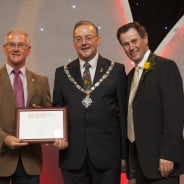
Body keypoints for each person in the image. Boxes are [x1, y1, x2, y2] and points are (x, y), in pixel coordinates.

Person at [53, 20, 127, 184]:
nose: (84, 43)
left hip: (107, 155)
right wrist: (56, 134)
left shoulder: (116, 70)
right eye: (78, 39)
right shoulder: (62, 73)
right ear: (74, 43)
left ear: (98, 40)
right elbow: (57, 109)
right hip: (72, 156)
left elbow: (123, 114)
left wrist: (124, 154)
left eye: (88, 37)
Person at [117, 21, 184, 184]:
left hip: (162, 163)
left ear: (145, 38)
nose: (131, 47)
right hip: (140, 165)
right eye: (125, 44)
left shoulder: (165, 68)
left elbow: (174, 115)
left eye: (134, 41)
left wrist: (168, 155)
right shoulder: (131, 75)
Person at [0, 30, 51, 184]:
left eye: (21, 45)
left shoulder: (41, 81)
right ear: (4, 48)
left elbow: (48, 115)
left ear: (28, 50)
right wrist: (4, 139)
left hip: (30, 161)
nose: (16, 49)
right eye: (12, 44)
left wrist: (46, 120)